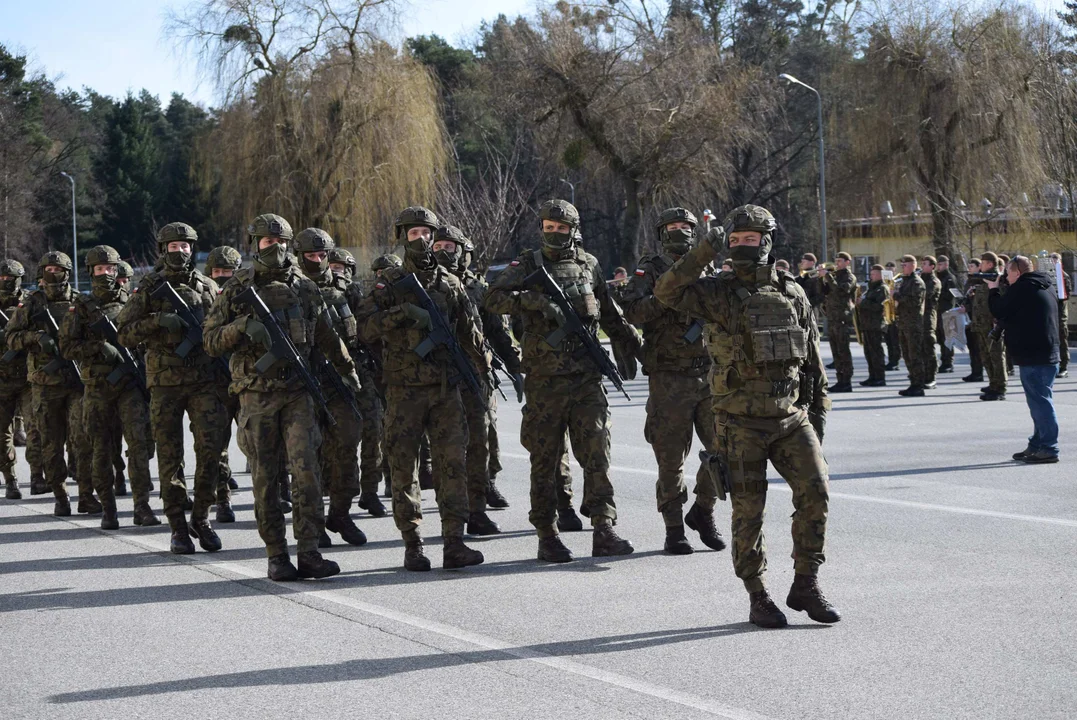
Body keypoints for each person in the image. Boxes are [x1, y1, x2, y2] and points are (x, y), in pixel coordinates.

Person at [654, 204, 838, 628]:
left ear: (767, 242)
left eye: (749, 239)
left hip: (791, 418)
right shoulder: (717, 293)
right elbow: (666, 292)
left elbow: (813, 363)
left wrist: (818, 420)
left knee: (817, 493)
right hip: (740, 424)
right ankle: (758, 595)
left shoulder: (792, 292)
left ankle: (806, 583)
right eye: (734, 240)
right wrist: (703, 250)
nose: (740, 247)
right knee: (748, 512)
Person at [485, 199, 642, 563]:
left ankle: (603, 526)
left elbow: (609, 312)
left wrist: (632, 342)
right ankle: (547, 533)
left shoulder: (588, 264)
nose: (554, 234)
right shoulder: (527, 264)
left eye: (561, 228)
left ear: (575, 229)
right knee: (545, 458)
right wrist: (534, 301)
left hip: (586, 379)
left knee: (597, 453)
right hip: (545, 381)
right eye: (548, 227)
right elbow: (493, 299)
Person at [204, 213, 358, 580]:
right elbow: (209, 340)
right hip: (256, 396)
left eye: (280, 243)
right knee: (266, 478)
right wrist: (242, 327)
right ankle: (277, 555)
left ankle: (309, 552)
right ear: (254, 244)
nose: (274, 249)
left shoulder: (305, 287)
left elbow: (326, 335)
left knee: (307, 474)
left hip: (298, 394)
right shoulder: (238, 288)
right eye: (267, 242)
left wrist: (347, 370)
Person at [356, 206, 488, 571]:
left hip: (446, 391)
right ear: (402, 237)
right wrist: (402, 314)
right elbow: (363, 330)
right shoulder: (389, 284)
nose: (422, 240)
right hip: (403, 391)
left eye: (427, 233)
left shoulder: (450, 282)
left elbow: (470, 334)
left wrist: (483, 371)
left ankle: (454, 542)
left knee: (452, 466)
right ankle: (413, 544)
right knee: (403, 469)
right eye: (414, 234)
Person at [116, 223, 230, 553]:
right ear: (162, 249)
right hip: (164, 384)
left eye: (185, 246)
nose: (179, 251)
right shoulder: (150, 287)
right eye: (173, 246)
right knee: (170, 456)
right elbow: (124, 334)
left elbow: (220, 330)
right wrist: (156, 322)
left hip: (204, 381)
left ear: (192, 249)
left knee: (211, 452)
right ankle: (178, 525)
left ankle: (202, 516)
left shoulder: (209, 286)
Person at [620, 207, 724, 555]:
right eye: (673, 227)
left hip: (709, 374)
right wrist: (667, 298)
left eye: (686, 227)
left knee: (722, 450)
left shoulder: (707, 267)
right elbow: (632, 313)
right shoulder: (650, 268)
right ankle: (674, 527)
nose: (680, 231)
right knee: (671, 459)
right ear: (662, 232)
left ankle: (703, 510)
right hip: (669, 377)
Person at [59, 246, 159, 529]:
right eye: (100, 269)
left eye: (110, 269)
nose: (106, 274)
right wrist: (97, 347)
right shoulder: (81, 307)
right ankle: (108, 510)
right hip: (97, 388)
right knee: (100, 449)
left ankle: (142, 506)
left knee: (139, 446)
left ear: (117, 271)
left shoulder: (133, 301)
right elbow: (66, 347)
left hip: (130, 386)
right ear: (91, 272)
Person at [294, 228, 372, 546]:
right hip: (303, 383)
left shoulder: (347, 290)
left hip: (340, 382)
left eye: (321, 255)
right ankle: (311, 524)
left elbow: (365, 331)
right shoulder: (290, 289)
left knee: (347, 448)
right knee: (307, 458)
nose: (316, 260)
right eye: (310, 256)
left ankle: (340, 514)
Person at [6, 251, 97, 517]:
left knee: (82, 439)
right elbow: (11, 337)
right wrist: (35, 338)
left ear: (67, 272)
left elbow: (94, 336)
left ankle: (86, 495)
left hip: (77, 383)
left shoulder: (81, 301)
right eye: (48, 269)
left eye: (58, 269)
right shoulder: (32, 303)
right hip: (45, 384)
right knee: (51, 442)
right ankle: (60, 495)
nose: (53, 273)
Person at [438, 227, 519, 513]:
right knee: (450, 442)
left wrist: (515, 364)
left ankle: (487, 482)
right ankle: (460, 501)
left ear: (463, 253)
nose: (442, 252)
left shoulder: (478, 287)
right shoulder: (426, 284)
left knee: (486, 435)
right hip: (442, 376)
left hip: (478, 372)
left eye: (450, 247)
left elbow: (498, 331)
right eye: (438, 246)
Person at [329, 247, 388, 517]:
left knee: (373, 431)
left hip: (362, 371)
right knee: (341, 439)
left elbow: (368, 331)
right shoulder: (314, 292)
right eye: (332, 265)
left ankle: (370, 491)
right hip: (331, 374)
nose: (335, 270)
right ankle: (341, 493)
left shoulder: (355, 294)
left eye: (341, 267)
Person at [987, 256, 1060, 463]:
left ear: (1017, 273)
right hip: (1045, 353)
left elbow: (999, 309)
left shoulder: (1023, 287)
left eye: (1008, 273)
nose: (1006, 278)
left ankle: (1049, 448)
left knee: (1041, 404)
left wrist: (993, 289)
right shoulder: (1044, 284)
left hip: (1034, 354)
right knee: (1038, 403)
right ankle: (1037, 444)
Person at [203, 245, 244, 521]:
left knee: (261, 440)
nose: (222, 277)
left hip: (245, 380)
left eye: (228, 272)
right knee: (217, 444)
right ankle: (222, 499)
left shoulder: (247, 297)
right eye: (217, 272)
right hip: (215, 383)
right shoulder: (203, 298)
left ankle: (281, 491)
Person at [0, 259, 29, 500]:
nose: (5, 282)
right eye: (1, 278)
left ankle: (40, 474)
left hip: (29, 376)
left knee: (40, 429)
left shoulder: (30, 302)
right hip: (1, 379)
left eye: (10, 278)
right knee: (3, 434)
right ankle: (11, 479)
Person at [968, 252, 1007, 400]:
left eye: (983, 263)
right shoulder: (983, 279)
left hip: (992, 324)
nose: (980, 265)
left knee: (996, 356)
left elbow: (1000, 300)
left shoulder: (997, 279)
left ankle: (1000, 388)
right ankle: (993, 384)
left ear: (990, 264)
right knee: (986, 356)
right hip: (981, 324)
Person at [820, 251, 857, 392]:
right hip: (833, 318)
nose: (837, 263)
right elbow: (823, 292)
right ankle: (840, 379)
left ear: (848, 262)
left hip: (842, 318)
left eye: (840, 261)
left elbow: (841, 291)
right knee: (836, 352)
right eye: (836, 260)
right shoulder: (834, 276)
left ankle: (846, 381)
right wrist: (820, 279)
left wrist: (828, 276)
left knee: (843, 351)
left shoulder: (849, 277)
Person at [893, 254, 926, 397]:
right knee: (907, 355)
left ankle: (918, 385)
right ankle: (913, 383)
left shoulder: (917, 282)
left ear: (913, 265)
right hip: (904, 323)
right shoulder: (905, 282)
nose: (903, 267)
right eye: (902, 265)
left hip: (913, 324)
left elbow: (914, 302)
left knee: (915, 355)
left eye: (905, 265)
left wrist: (897, 296)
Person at [857, 264, 889, 386]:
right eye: (871, 274)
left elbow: (879, 306)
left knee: (876, 352)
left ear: (881, 275)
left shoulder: (882, 288)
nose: (871, 276)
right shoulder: (871, 288)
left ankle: (880, 377)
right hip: (867, 324)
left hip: (876, 324)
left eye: (874, 274)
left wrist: (863, 303)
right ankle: (872, 376)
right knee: (869, 352)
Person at [919, 256, 941, 389]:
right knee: (920, 348)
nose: (922, 266)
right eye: (922, 264)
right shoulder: (921, 279)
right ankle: (923, 375)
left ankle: (931, 377)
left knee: (929, 347)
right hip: (918, 318)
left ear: (932, 266)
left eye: (925, 264)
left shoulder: (934, 281)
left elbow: (925, 296)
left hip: (928, 317)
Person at [962, 258, 985, 383]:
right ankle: (974, 371)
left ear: (978, 267)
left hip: (977, 316)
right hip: (968, 317)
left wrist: (968, 306)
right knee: (971, 346)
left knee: (977, 347)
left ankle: (978, 373)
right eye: (969, 265)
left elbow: (979, 301)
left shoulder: (980, 280)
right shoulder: (969, 280)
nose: (969, 268)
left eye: (972, 266)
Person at [1049, 253, 1071, 378]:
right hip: (1050, 313)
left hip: (1060, 314)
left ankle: (1064, 366)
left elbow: (1065, 295)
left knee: (1062, 339)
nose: (1053, 262)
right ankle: (1054, 364)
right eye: (1051, 260)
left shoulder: (1064, 276)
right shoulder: (1047, 276)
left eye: (1055, 260)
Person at [935, 255, 958, 373]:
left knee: (947, 338)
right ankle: (944, 361)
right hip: (939, 311)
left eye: (941, 264)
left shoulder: (949, 278)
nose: (938, 267)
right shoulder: (938, 277)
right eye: (938, 264)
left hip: (947, 311)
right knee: (940, 338)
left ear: (946, 264)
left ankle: (948, 362)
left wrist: (937, 294)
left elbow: (950, 295)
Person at [884, 261, 902, 370]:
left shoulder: (899, 281)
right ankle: (891, 359)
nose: (889, 269)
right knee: (888, 340)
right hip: (886, 313)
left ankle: (895, 361)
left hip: (896, 312)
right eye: (887, 268)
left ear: (895, 269)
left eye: (891, 268)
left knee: (895, 339)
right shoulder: (883, 282)